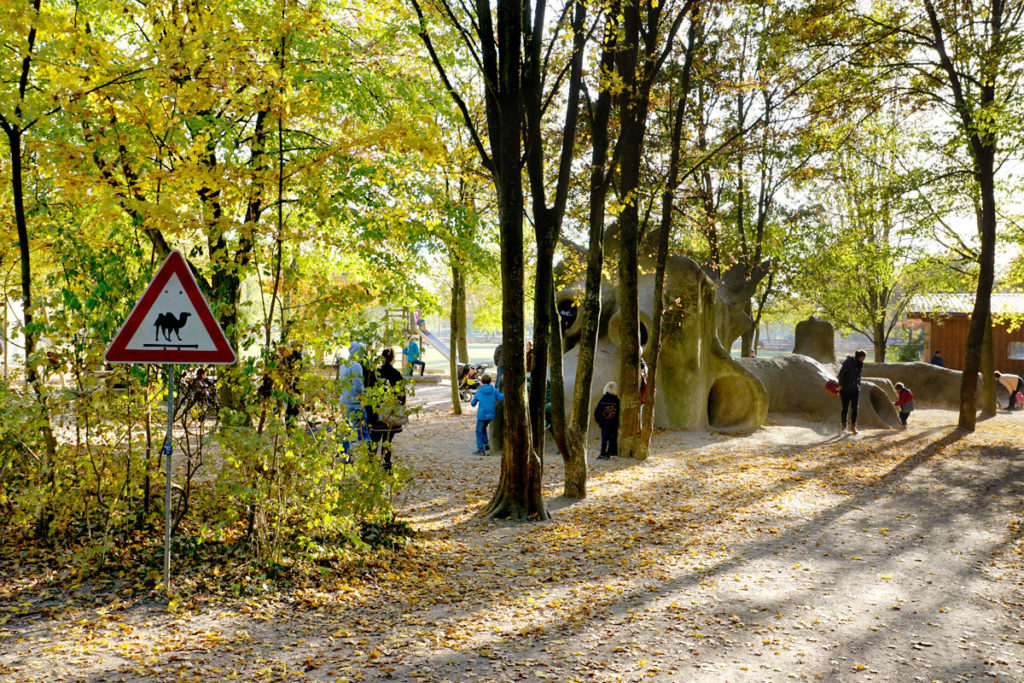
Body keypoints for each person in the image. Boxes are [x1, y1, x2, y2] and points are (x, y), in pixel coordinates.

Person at [366, 348, 406, 470]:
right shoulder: (397, 374)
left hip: (377, 412)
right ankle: (386, 463)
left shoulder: (375, 374)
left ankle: (370, 463)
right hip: (391, 412)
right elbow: (402, 396)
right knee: (387, 440)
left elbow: (369, 393)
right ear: (393, 359)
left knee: (374, 440)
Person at [338, 341, 370, 456]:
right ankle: (367, 456)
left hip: (344, 401)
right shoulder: (356, 366)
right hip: (355, 403)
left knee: (345, 431)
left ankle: (344, 457)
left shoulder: (343, 365)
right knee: (363, 432)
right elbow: (358, 386)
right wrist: (364, 395)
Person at [470, 374, 503, 455]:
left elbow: (473, 404)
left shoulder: (479, 392)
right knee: (483, 428)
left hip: (482, 415)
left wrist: (475, 398)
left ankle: (480, 450)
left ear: (482, 382)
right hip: (491, 415)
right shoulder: (494, 391)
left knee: (478, 431)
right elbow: (501, 397)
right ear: (490, 381)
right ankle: (486, 444)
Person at [837, 349, 866, 433]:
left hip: (855, 389)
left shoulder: (860, 364)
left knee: (855, 408)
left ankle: (853, 427)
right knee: (845, 408)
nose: (864, 359)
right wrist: (841, 385)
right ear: (862, 357)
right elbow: (841, 374)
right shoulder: (849, 362)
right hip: (845, 389)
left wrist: (858, 385)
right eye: (864, 357)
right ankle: (844, 427)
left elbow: (858, 376)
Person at [594, 381, 620, 459]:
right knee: (612, 439)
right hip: (614, 423)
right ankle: (609, 453)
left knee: (604, 439)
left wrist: (597, 420)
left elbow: (597, 411)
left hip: (604, 423)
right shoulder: (617, 401)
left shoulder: (603, 399)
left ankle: (602, 453)